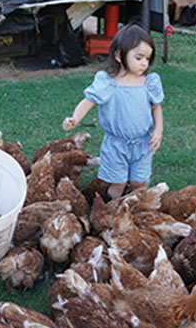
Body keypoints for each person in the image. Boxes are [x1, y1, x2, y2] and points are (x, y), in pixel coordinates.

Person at [62, 23, 164, 200]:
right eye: (139, 58)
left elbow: (156, 108)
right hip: (116, 146)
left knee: (139, 182)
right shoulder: (108, 83)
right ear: (118, 55)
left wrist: (158, 130)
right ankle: (111, 210)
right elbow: (88, 101)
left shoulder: (149, 82)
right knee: (118, 182)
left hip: (143, 143)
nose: (144, 63)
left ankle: (136, 208)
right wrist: (74, 118)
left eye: (147, 58)